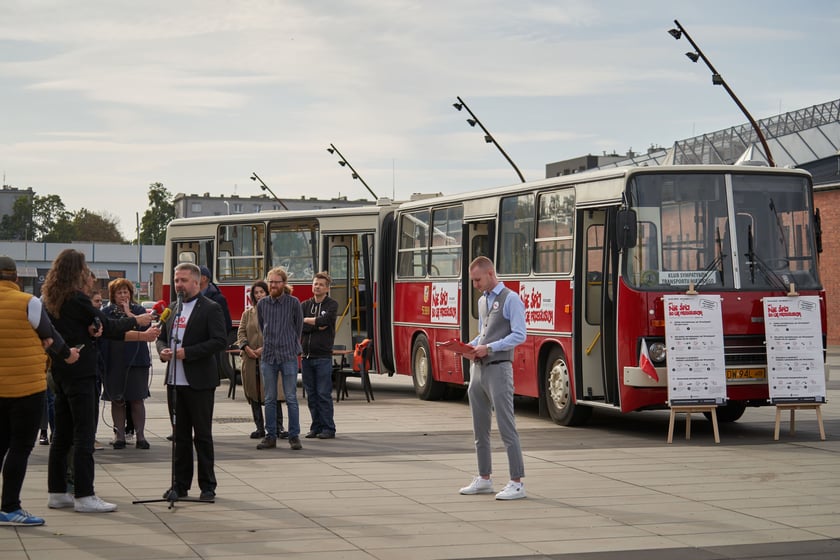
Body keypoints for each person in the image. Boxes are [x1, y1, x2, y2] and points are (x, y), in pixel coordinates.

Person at [41, 249, 155, 514]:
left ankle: (57, 492)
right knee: (84, 435)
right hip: (82, 373)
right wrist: (136, 320)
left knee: (62, 435)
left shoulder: (51, 300)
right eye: (84, 268)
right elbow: (108, 326)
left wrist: (93, 329)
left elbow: (91, 327)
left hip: (61, 372)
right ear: (76, 271)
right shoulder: (78, 299)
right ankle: (84, 494)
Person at [0, 256, 80, 526]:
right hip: (26, 389)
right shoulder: (28, 302)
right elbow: (50, 334)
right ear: (17, 279)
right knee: (19, 448)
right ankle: (10, 507)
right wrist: (68, 355)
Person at [156, 262, 227, 502]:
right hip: (175, 382)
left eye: (184, 280)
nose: (179, 285)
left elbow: (219, 341)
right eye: (177, 280)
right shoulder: (173, 308)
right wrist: (164, 350)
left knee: (202, 436)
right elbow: (162, 338)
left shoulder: (210, 308)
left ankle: (207, 486)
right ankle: (180, 484)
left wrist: (189, 352)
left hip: (199, 382)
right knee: (180, 436)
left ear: (197, 282)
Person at [459, 256, 527, 501]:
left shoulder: (511, 299)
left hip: (499, 368)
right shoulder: (482, 301)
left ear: (490, 273)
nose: (475, 284)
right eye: (473, 280)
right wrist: (471, 346)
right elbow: (484, 332)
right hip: (479, 368)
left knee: (507, 426)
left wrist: (490, 347)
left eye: (477, 279)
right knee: (480, 428)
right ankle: (484, 478)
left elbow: (520, 335)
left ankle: (517, 482)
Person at [100, 279, 154, 450]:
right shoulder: (107, 312)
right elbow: (111, 332)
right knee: (117, 399)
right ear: (113, 295)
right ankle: (119, 436)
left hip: (137, 360)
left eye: (126, 292)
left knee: (137, 399)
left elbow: (145, 330)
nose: (123, 295)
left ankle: (140, 436)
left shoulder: (138, 310)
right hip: (114, 360)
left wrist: (130, 314)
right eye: (119, 293)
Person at [256, 266, 303, 451]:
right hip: (268, 356)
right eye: (271, 282)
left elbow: (298, 328)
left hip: (288, 355)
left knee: (291, 397)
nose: (273, 285)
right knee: (269, 398)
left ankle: (294, 436)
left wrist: (291, 346)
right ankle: (270, 436)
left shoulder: (293, 303)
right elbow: (262, 326)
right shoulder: (262, 304)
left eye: (276, 282)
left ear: (284, 283)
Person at [236, 280, 287, 440]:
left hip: (270, 358)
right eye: (256, 293)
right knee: (254, 393)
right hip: (251, 360)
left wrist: (264, 348)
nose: (259, 295)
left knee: (273, 393)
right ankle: (259, 427)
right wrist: (246, 348)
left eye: (261, 292)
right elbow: (241, 332)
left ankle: (278, 427)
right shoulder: (247, 313)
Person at [300, 271, 338, 439]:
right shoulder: (304, 305)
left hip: (323, 357)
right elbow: (299, 325)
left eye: (321, 284)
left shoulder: (332, 305)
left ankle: (328, 428)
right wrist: (314, 323)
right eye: (315, 283)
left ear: (327, 288)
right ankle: (315, 426)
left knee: (323, 394)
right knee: (311, 395)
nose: (317, 286)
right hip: (306, 357)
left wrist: (308, 322)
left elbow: (325, 322)